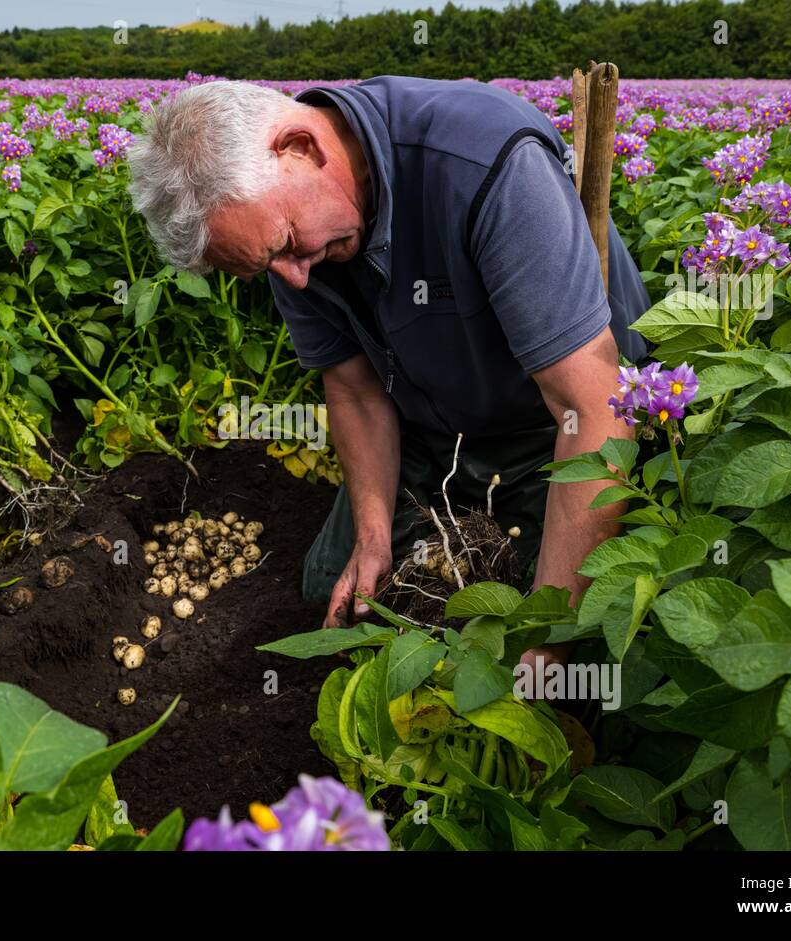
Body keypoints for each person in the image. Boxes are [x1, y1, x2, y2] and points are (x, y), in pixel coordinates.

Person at [128, 77, 650, 667]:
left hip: (554, 431)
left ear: (300, 147)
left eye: (290, 245)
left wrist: (547, 637)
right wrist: (372, 537)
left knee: (533, 635)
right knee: (343, 591)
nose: (295, 277)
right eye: (267, 265)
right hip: (435, 430)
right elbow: (353, 385)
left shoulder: (484, 163)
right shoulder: (289, 239)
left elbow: (596, 406)